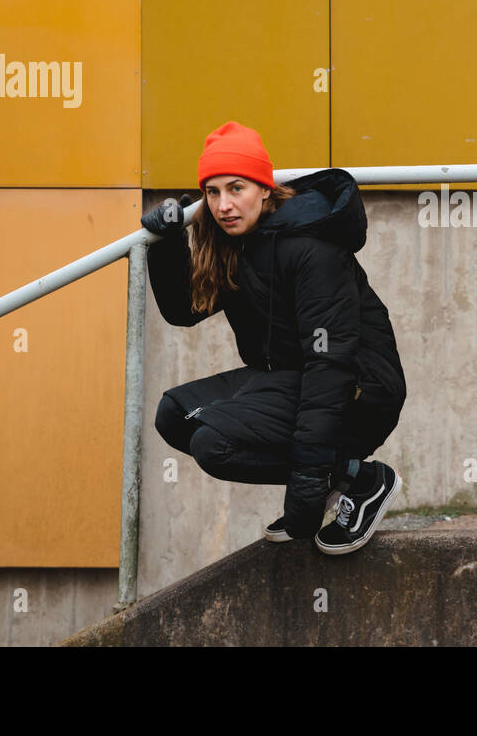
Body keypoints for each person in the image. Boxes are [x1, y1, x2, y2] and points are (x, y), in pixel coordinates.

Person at [141, 120, 406, 555]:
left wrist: (305, 480)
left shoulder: (311, 246)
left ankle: (363, 479)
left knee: (214, 445)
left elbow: (330, 365)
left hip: (358, 390)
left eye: (236, 188)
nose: (223, 205)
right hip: (287, 376)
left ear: (265, 188)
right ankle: (335, 477)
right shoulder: (232, 242)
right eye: (212, 192)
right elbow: (184, 311)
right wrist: (166, 244)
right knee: (174, 415)